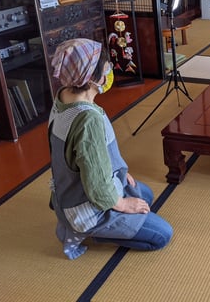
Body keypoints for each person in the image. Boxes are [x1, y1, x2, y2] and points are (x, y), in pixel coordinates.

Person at [48, 38, 173, 259]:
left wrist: (121, 171)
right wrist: (122, 204)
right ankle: (89, 231)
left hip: (70, 191)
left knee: (145, 195)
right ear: (91, 77)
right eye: (105, 68)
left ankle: (94, 221)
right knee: (162, 235)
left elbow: (91, 157)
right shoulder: (87, 120)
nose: (109, 72)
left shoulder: (63, 98)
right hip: (86, 206)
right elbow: (95, 181)